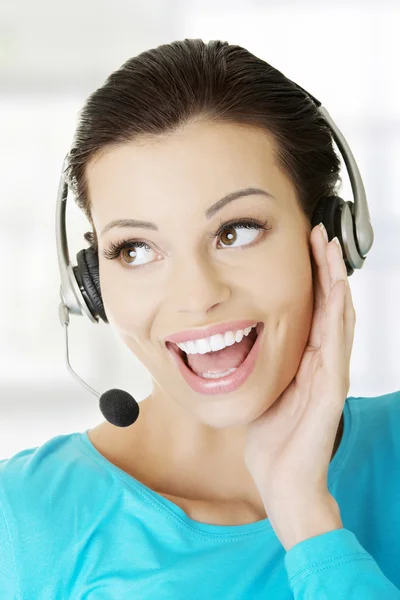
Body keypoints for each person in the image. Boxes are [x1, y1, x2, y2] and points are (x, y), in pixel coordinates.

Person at [0, 38, 399, 599]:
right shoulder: (21, 520)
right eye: (135, 249)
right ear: (88, 284)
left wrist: (307, 518)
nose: (197, 296)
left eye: (236, 231)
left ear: (333, 236)